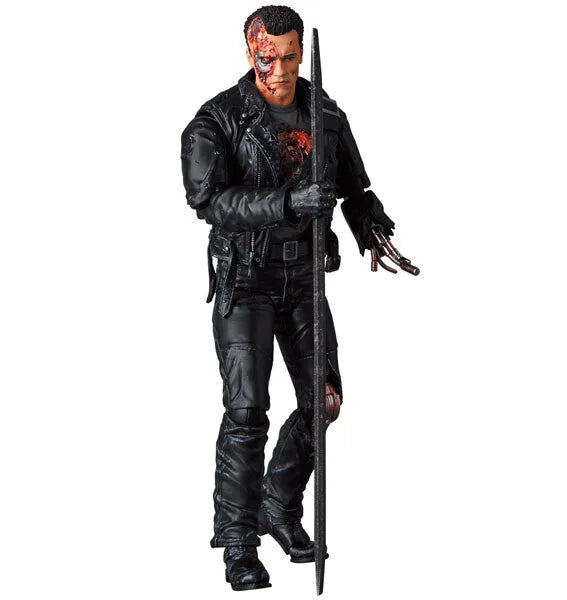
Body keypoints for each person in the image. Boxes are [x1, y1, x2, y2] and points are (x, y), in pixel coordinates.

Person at [180, 5, 397, 591]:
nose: (278, 70)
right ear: (250, 52)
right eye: (266, 57)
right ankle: (238, 543)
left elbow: (353, 186)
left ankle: (278, 505)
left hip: (304, 278)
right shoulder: (218, 119)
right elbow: (208, 201)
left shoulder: (324, 113)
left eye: (290, 57)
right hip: (245, 279)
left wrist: (370, 225)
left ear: (302, 54)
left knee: (323, 403)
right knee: (247, 411)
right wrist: (286, 202)